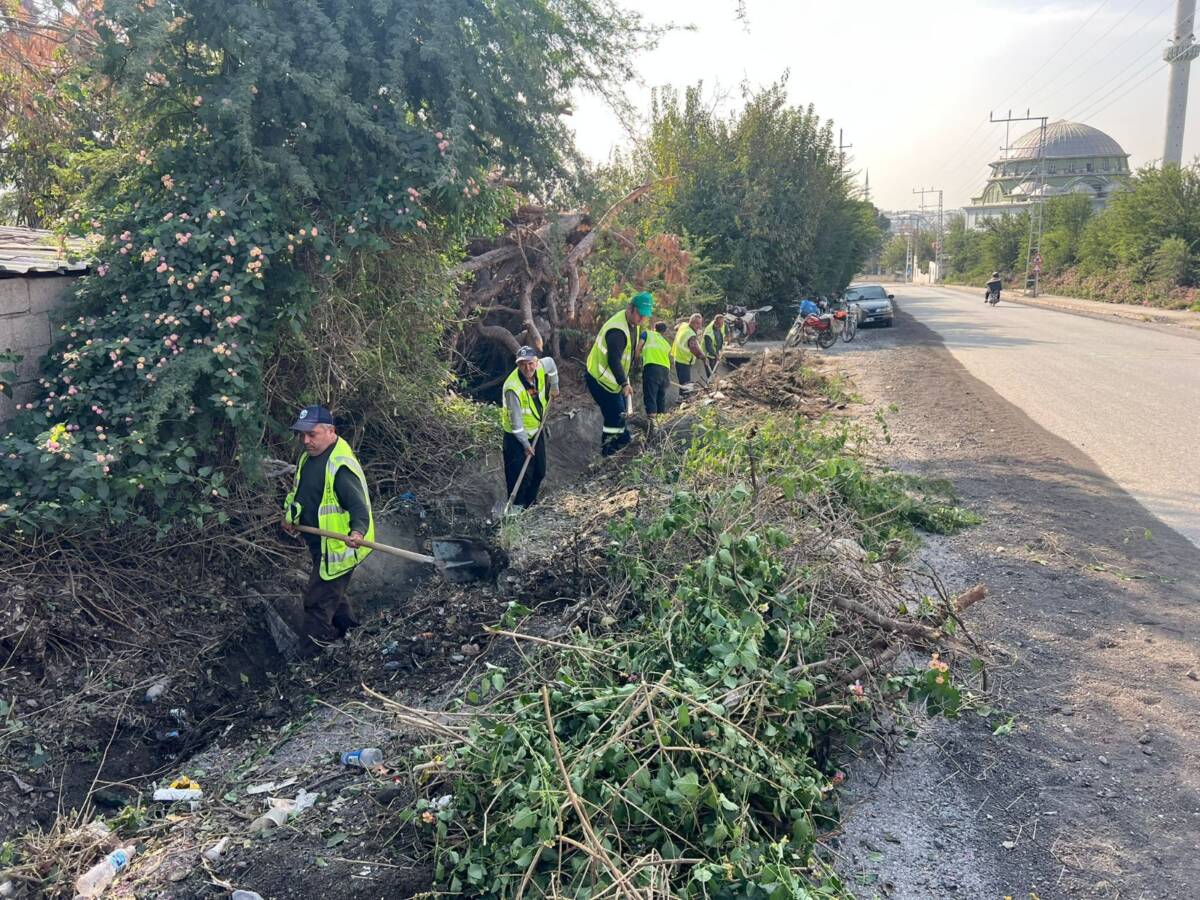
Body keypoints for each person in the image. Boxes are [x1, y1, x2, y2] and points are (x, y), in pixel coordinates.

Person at [282, 405, 373, 652]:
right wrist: (289, 516)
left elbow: (359, 507)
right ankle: (353, 633)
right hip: (319, 545)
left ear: (330, 431)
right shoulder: (308, 458)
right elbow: (299, 493)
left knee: (317, 602)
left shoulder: (340, 466)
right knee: (335, 595)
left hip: (338, 549)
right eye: (302, 435)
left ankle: (310, 657)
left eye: (312, 434)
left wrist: (357, 532)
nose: (305, 441)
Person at [585, 291, 653, 455]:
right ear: (630, 308)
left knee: (616, 415)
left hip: (613, 380)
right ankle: (611, 450)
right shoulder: (617, 331)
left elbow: (626, 355)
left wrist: (626, 379)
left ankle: (617, 446)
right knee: (615, 415)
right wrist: (624, 382)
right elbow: (614, 360)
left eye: (645, 316)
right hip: (600, 380)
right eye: (640, 315)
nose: (642, 319)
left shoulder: (632, 325)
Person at [501, 345, 560, 509]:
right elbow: (516, 423)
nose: (527, 368)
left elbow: (552, 365)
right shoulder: (513, 388)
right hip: (516, 438)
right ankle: (515, 512)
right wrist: (525, 445)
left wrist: (554, 386)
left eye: (530, 363)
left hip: (536, 430)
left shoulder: (541, 366)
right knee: (519, 478)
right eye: (523, 364)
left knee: (539, 471)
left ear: (536, 361)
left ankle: (530, 504)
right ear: (518, 365)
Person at [640, 321, 672, 417]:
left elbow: (639, 346)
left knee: (650, 395)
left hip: (652, 368)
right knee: (660, 397)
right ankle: (661, 422)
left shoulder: (647, 334)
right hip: (665, 370)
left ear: (654, 328)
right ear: (664, 332)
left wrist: (636, 360)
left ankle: (652, 424)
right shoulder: (666, 344)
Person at [672, 313, 705, 388]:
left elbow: (676, 327)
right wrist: (703, 357)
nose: (699, 326)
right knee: (685, 384)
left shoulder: (684, 325)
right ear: (692, 323)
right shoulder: (690, 335)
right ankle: (684, 398)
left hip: (678, 358)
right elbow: (694, 348)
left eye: (700, 324)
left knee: (683, 383)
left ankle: (683, 397)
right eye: (698, 324)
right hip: (683, 361)